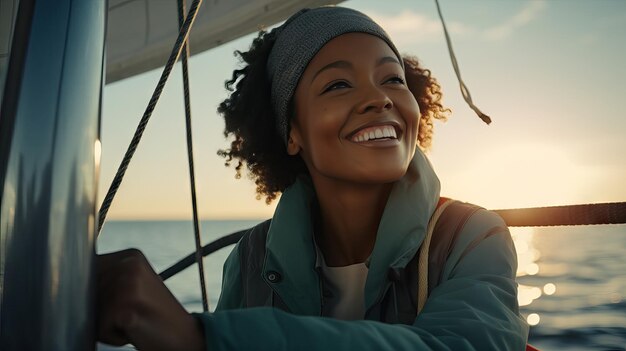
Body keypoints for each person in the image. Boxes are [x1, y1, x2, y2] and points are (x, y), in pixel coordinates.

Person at [97, 6, 529, 350]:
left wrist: (201, 340)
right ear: (292, 133)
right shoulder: (251, 258)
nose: (378, 99)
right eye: (338, 85)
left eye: (392, 79)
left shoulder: (471, 236)